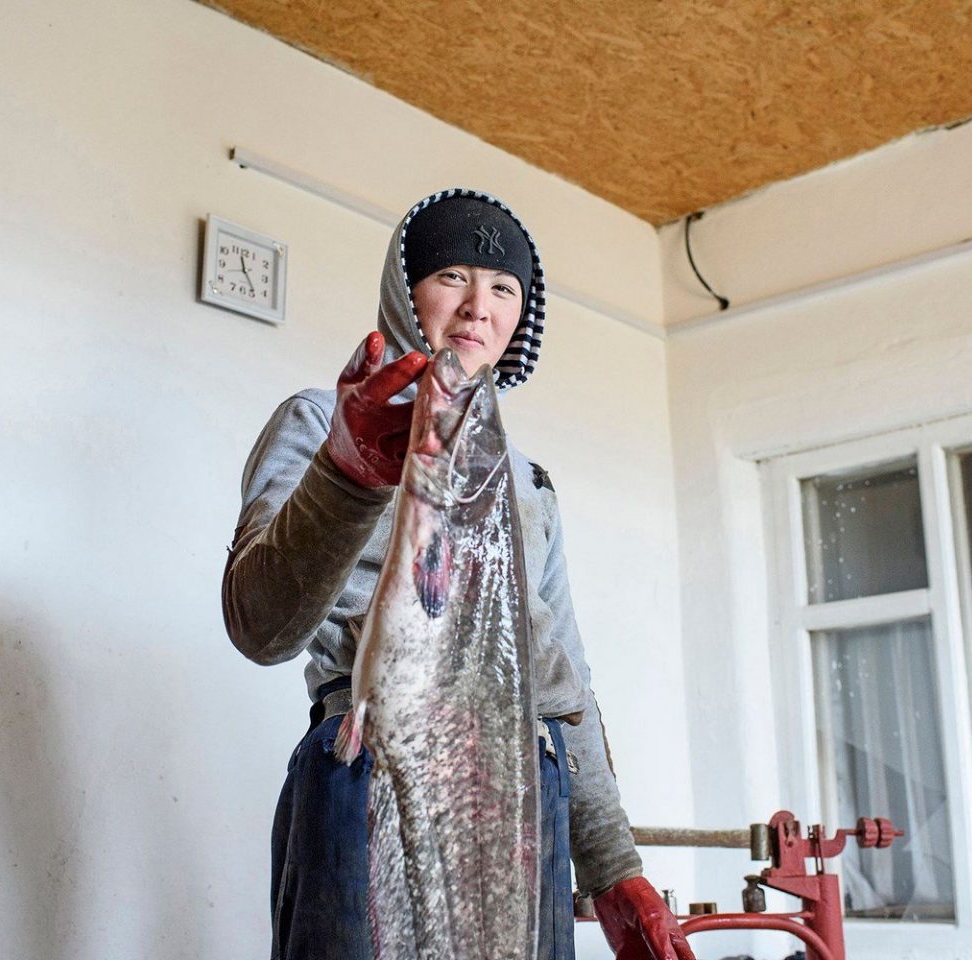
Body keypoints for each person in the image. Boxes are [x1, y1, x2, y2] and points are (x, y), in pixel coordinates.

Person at [223, 188, 694, 960]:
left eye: (505, 288)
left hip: (524, 794)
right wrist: (346, 470)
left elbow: (563, 679)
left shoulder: (530, 482)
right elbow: (259, 626)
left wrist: (614, 868)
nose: (479, 305)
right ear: (404, 293)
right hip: (371, 764)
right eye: (452, 275)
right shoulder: (319, 420)